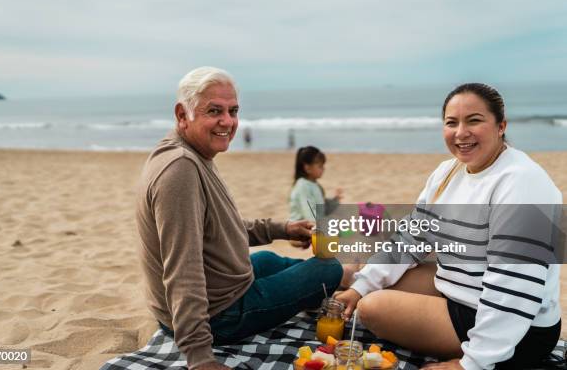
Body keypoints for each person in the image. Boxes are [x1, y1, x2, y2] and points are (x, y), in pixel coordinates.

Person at [336, 83, 562, 370]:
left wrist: (472, 364)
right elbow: (411, 238)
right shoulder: (447, 171)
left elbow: (515, 286)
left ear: (501, 125)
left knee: (372, 307)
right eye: (451, 123)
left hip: (522, 330)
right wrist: (362, 286)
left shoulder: (522, 182)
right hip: (463, 289)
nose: (461, 133)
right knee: (364, 287)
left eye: (474, 120)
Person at [135, 67, 344, 370]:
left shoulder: (192, 153)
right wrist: (200, 357)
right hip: (219, 315)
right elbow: (183, 269)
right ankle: (334, 284)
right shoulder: (179, 170)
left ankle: (329, 287)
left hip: (223, 286)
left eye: (233, 111)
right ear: (183, 114)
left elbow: (220, 230)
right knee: (329, 267)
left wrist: (282, 229)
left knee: (270, 259)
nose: (228, 122)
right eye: (214, 111)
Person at [289, 146, 343, 222]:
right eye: (320, 166)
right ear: (307, 168)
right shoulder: (303, 186)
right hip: (302, 229)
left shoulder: (315, 184)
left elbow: (322, 206)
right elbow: (309, 215)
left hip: (316, 225)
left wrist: (335, 200)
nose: (323, 168)